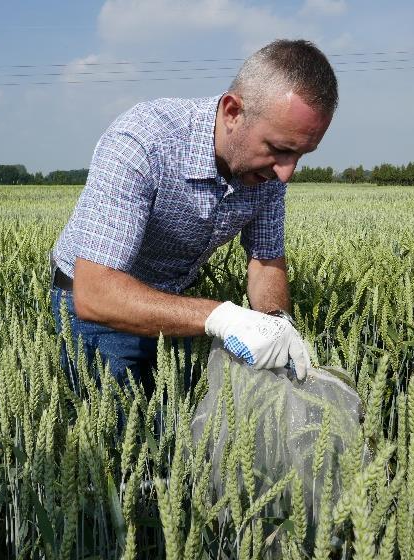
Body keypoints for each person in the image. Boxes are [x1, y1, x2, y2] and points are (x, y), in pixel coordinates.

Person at [50, 39, 338, 391]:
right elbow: (95, 293)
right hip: (101, 315)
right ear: (233, 112)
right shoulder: (142, 142)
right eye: (279, 149)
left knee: (176, 432)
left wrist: (276, 323)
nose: (287, 173)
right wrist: (221, 316)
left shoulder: (268, 172)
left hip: (181, 307)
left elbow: (265, 260)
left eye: (301, 155)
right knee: (116, 436)